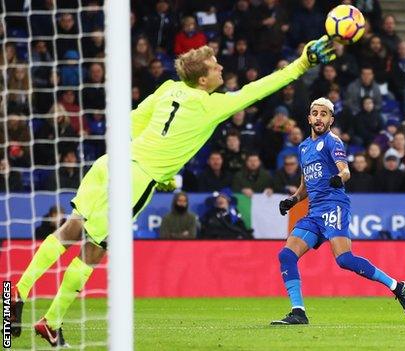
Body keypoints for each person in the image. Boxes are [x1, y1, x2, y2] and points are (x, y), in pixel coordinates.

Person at [9, 36, 336, 345]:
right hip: (136, 178)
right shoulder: (210, 105)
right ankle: (51, 321)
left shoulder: (168, 89)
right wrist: (302, 64)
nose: (222, 68)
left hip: (111, 163)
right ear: (204, 80)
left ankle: (18, 290)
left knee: (71, 229)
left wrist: (152, 154)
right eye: (215, 66)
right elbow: (258, 89)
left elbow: (131, 123)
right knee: (94, 250)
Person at [273, 97, 405, 325]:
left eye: (324, 114)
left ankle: (397, 287)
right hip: (314, 212)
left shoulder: (332, 141)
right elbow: (305, 185)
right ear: (309, 118)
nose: (319, 117)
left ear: (331, 119)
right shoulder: (303, 147)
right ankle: (298, 311)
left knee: (345, 260)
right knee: (286, 255)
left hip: (334, 206)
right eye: (315, 113)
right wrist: (293, 200)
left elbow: (345, 171)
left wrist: (339, 178)